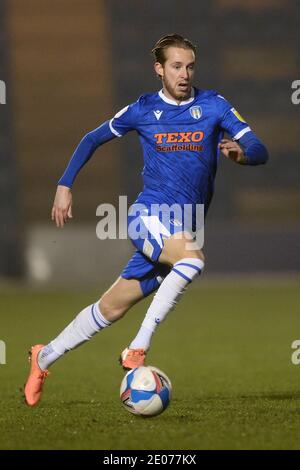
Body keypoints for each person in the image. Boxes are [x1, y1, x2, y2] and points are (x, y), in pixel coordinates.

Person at [24, 34, 268, 406]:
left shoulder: (214, 105)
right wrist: (64, 184)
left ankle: (43, 357)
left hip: (183, 225)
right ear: (159, 69)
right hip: (148, 216)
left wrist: (242, 154)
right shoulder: (142, 109)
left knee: (112, 307)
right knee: (191, 261)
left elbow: (259, 149)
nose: (184, 74)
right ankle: (137, 349)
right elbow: (91, 139)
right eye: (175, 66)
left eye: (189, 66)